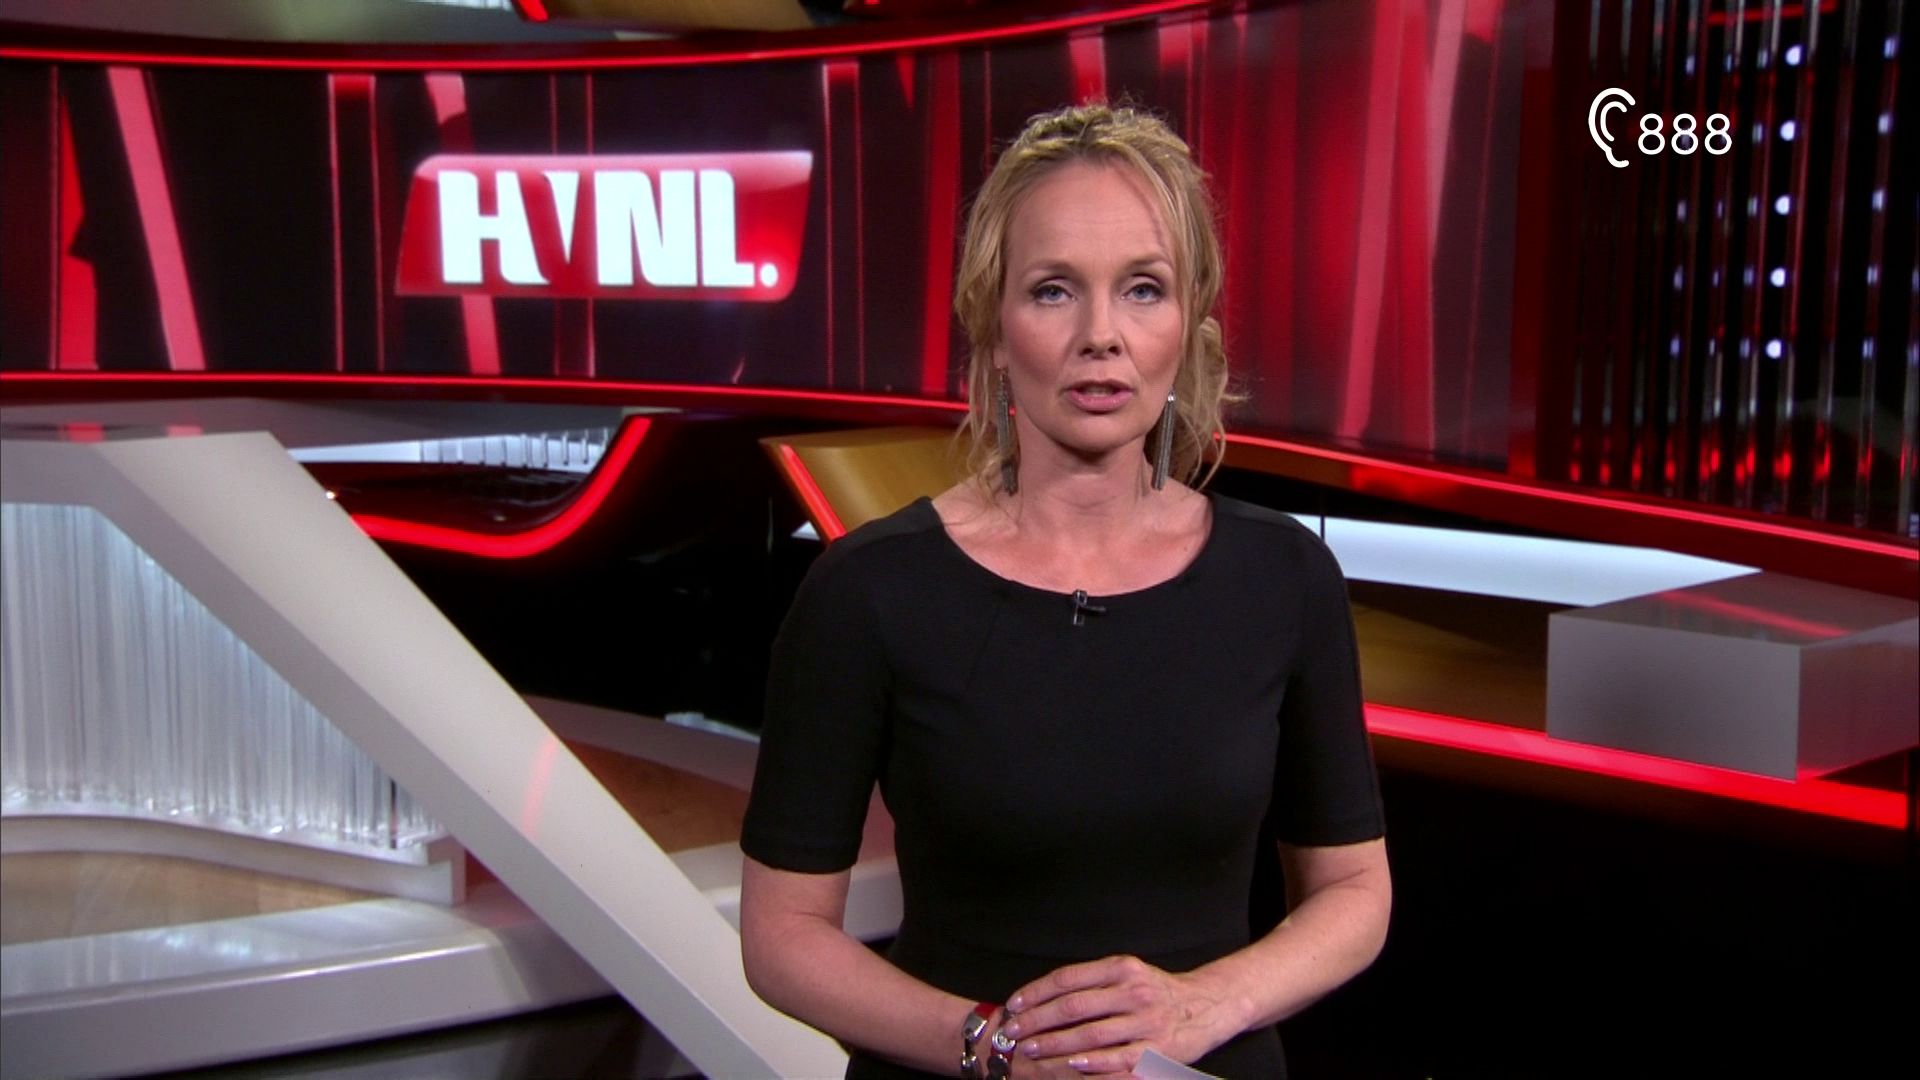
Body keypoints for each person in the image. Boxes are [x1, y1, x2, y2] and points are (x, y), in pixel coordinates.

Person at [739, 102, 1390, 1079]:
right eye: (1053, 291)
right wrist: (994, 1044)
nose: (1101, 336)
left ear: (1188, 325)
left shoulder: (1284, 577)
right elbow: (782, 934)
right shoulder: (869, 592)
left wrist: (1204, 1005)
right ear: (995, 329)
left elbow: (1354, 890)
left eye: (1142, 289)